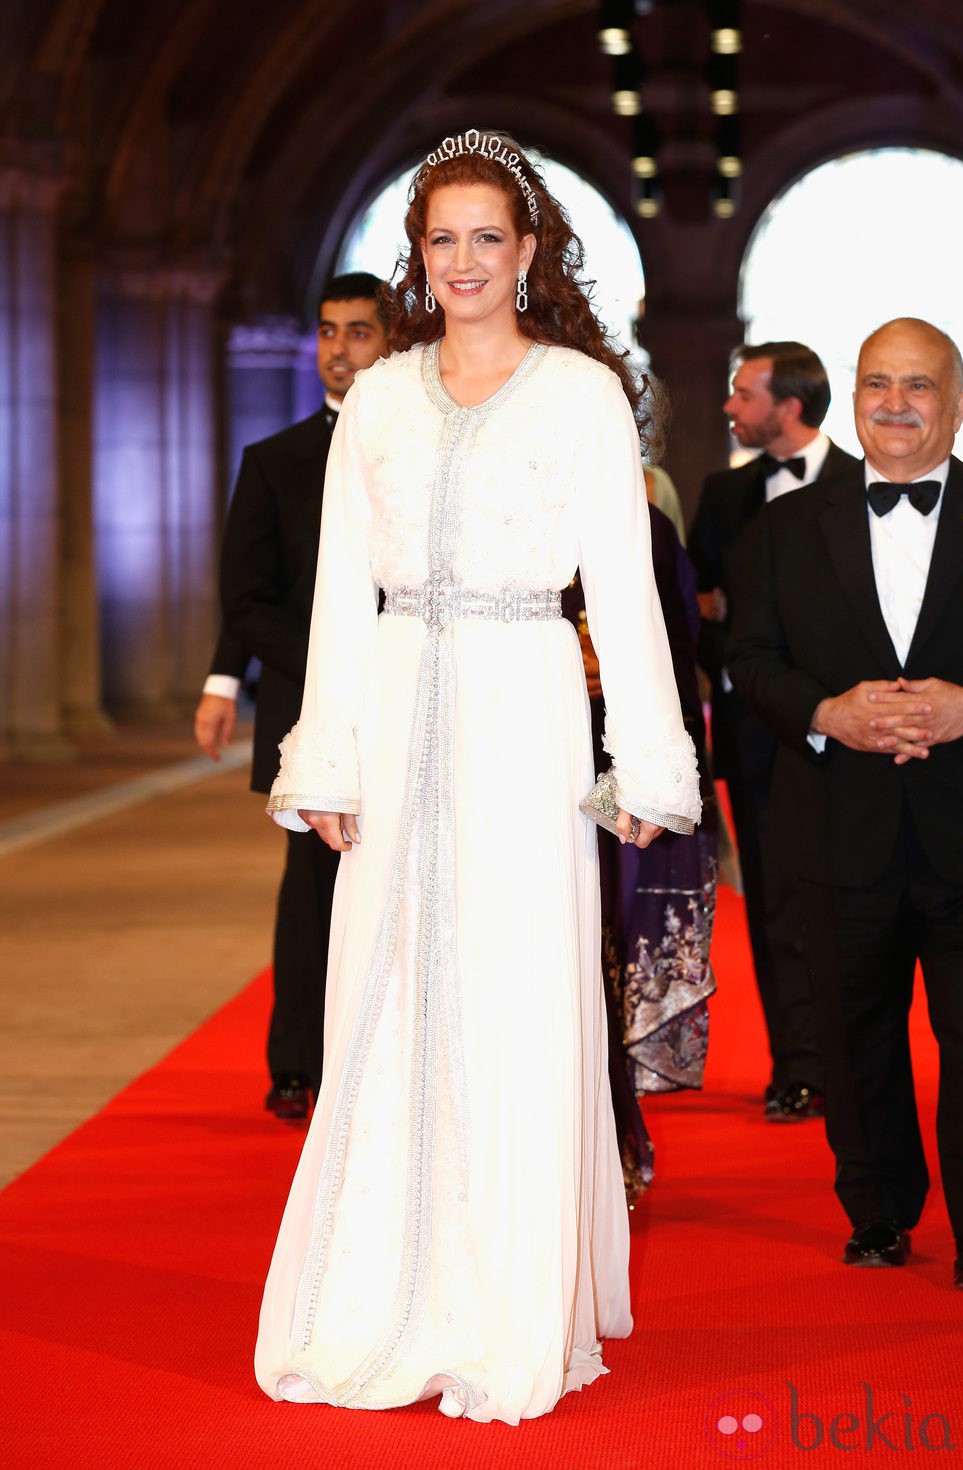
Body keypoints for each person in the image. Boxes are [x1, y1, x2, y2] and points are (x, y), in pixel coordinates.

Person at [253, 128, 701, 1422]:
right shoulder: (382, 398)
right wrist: (323, 750)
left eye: (485, 238)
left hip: (523, 707)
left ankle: (504, 1306)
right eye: (439, 239)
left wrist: (649, 766)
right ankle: (376, 1296)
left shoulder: (579, 396)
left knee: (512, 992)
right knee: (385, 991)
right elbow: (339, 588)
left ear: (530, 251)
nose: (462, 261)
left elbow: (623, 591)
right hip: (397, 705)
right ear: (417, 257)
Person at [727, 317, 963, 1290]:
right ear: (853, 396)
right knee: (853, 1037)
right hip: (834, 826)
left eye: (918, 385)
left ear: (956, 404)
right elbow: (748, 660)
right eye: (877, 382)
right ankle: (874, 1215)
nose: (893, 403)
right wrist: (826, 710)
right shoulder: (784, 526)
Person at [194, 272, 389, 1120]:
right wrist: (233, 678)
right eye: (326, 332)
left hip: (418, 706)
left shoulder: (418, 451)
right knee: (310, 892)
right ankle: (299, 1065)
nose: (338, 351)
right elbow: (247, 600)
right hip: (314, 711)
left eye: (358, 333)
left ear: (393, 343)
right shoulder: (271, 462)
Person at [688, 341, 856, 1121]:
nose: (729, 406)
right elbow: (698, 608)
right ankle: (800, 1068)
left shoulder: (866, 482)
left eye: (743, 393)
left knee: (858, 907)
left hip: (857, 733)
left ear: (788, 406)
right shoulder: (724, 495)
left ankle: (859, 1066)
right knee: (775, 909)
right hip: (758, 732)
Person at [563, 504, 717, 1202]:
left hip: (608, 771)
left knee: (602, 949)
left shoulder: (640, 521)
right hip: (505, 760)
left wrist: (676, 788)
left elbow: (674, 650)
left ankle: (611, 1144)